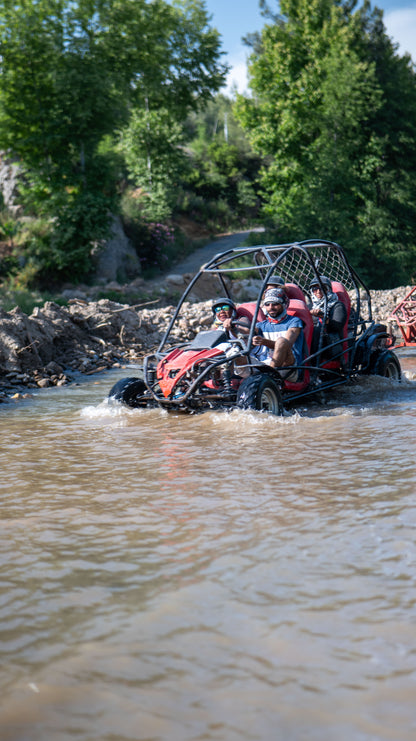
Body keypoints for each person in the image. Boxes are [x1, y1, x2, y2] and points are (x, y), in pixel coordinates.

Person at [252, 288, 304, 381]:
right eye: (267, 304)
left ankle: (269, 377)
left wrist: (264, 342)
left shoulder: (294, 322)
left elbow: (286, 344)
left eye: (275, 304)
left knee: (281, 342)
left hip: (289, 367)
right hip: (267, 363)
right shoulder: (261, 325)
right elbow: (247, 334)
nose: (271, 307)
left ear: (283, 305)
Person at [309, 276, 347, 358]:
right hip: (312, 341)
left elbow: (337, 326)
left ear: (328, 290)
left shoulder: (337, 305)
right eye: (315, 289)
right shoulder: (310, 306)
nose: (319, 291)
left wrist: (322, 316)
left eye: (323, 288)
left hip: (331, 343)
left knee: (316, 331)